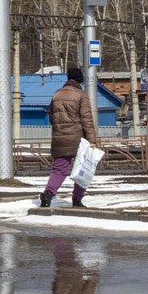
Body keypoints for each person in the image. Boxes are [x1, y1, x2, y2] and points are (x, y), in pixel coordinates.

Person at [40, 66, 99, 208]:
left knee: (59, 169)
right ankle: (77, 200)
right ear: (80, 80)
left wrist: (61, 129)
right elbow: (87, 119)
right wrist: (92, 140)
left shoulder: (57, 94)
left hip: (59, 138)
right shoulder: (81, 95)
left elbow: (52, 118)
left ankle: (48, 193)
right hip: (79, 139)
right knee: (82, 168)